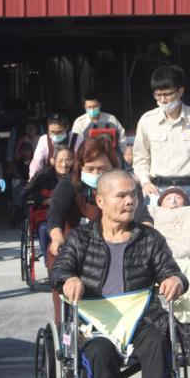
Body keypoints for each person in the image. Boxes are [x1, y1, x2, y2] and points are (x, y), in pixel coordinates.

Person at [52, 169, 188, 378]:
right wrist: (69, 278)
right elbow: (60, 269)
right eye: (121, 195)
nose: (130, 201)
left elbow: (172, 270)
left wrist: (174, 280)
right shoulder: (80, 238)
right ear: (100, 200)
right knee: (98, 352)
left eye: (134, 195)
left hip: (140, 318)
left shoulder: (149, 238)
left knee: (158, 342)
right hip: (95, 322)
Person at [47, 137, 152, 321]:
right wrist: (57, 238)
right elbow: (55, 216)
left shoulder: (126, 186)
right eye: (90, 169)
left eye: (102, 169)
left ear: (113, 166)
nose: (96, 174)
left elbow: (142, 214)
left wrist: (148, 235)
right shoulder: (68, 186)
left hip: (116, 251)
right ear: (80, 168)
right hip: (74, 253)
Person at [133, 65, 190, 208]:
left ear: (180, 91)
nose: (163, 100)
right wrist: (145, 182)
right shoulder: (147, 120)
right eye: (158, 95)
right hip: (157, 190)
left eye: (168, 94)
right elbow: (140, 157)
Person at [22, 146, 74, 259]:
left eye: (68, 159)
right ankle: (49, 259)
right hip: (45, 215)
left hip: (71, 216)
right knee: (44, 229)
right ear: (53, 160)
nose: (64, 164)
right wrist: (43, 200)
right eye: (60, 160)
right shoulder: (42, 176)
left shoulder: (77, 177)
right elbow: (26, 194)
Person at [29, 114, 83, 179]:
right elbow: (36, 163)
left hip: (72, 177)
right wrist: (32, 181)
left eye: (59, 132)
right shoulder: (44, 139)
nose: (56, 135)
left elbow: (81, 160)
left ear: (66, 128)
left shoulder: (77, 138)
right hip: (50, 178)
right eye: (52, 132)